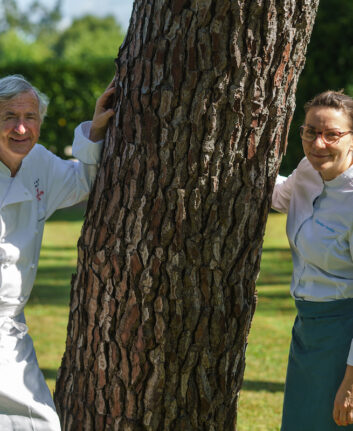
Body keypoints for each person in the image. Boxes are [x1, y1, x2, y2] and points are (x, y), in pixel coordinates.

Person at [0, 74, 115, 430]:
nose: (21, 128)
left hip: (9, 329)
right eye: (9, 117)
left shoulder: (39, 163)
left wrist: (95, 131)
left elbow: (84, 181)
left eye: (30, 117)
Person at [272, 90, 353, 430]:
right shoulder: (307, 169)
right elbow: (278, 197)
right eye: (310, 132)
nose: (318, 144)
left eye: (332, 134)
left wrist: (350, 386)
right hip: (306, 328)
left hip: (344, 336)